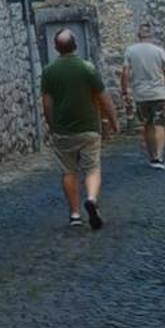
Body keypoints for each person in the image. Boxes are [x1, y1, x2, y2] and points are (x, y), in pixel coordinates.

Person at [40, 29, 118, 229]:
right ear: (75, 45)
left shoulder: (49, 71)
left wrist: (52, 124)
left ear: (56, 48)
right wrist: (112, 120)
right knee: (92, 167)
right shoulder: (87, 68)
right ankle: (91, 199)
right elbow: (103, 97)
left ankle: (74, 214)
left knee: (69, 171)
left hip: (63, 130)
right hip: (88, 127)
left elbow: (47, 103)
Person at [120, 25, 165, 169]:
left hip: (141, 94)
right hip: (158, 92)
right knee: (159, 124)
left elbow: (125, 73)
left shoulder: (130, 51)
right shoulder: (159, 51)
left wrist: (125, 91)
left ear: (138, 36)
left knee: (147, 124)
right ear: (151, 36)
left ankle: (152, 156)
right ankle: (159, 156)